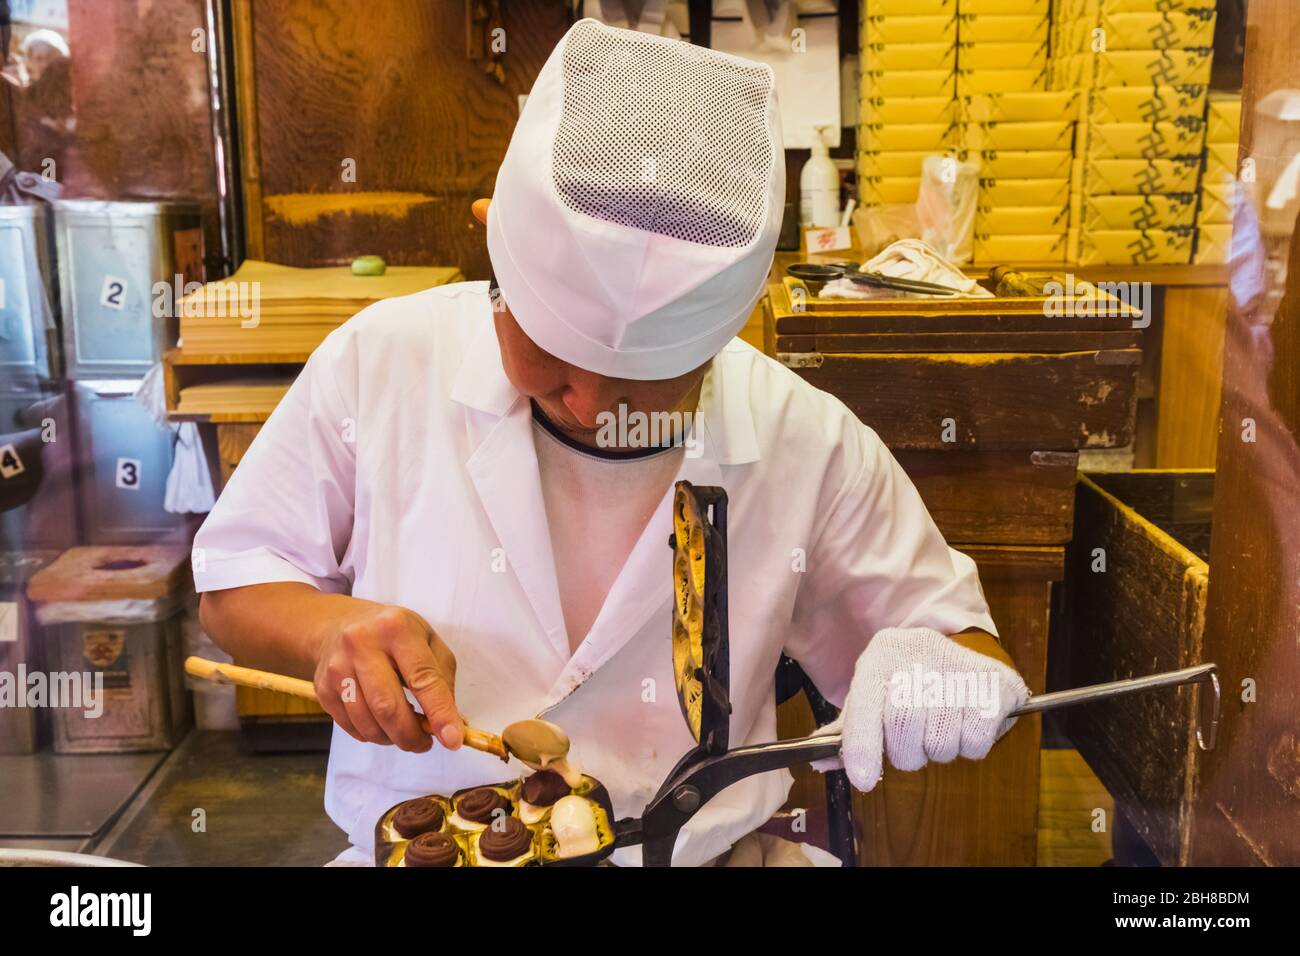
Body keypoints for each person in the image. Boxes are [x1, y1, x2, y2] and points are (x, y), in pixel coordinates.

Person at [194, 18, 1028, 866]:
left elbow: (966, 645)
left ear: (727, 331)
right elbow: (231, 587)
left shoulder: (803, 441)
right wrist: (328, 629)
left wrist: (937, 678)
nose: (591, 404)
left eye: (646, 378)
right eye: (552, 352)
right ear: (493, 242)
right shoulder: (381, 366)